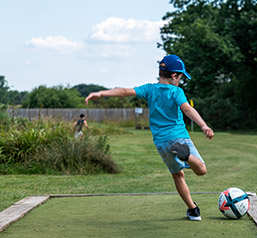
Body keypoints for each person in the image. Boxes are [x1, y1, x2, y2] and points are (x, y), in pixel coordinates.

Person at [85, 55, 214, 221]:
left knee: (177, 175)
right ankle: (186, 156)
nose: (180, 81)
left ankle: (193, 210)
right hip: (178, 137)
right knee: (201, 170)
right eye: (181, 77)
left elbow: (124, 92)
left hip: (161, 143)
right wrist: (203, 125)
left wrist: (101, 93)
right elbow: (187, 109)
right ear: (174, 75)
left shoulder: (149, 89)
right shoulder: (176, 92)